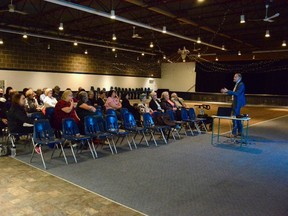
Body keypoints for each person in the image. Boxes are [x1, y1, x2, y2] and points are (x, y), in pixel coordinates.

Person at [221, 73, 246, 137]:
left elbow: (237, 94)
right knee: (237, 117)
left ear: (239, 78)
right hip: (235, 102)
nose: (234, 78)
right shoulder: (237, 84)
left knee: (234, 117)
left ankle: (234, 133)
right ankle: (240, 132)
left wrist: (227, 91)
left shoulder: (241, 84)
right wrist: (226, 92)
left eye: (235, 77)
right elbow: (234, 93)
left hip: (237, 103)